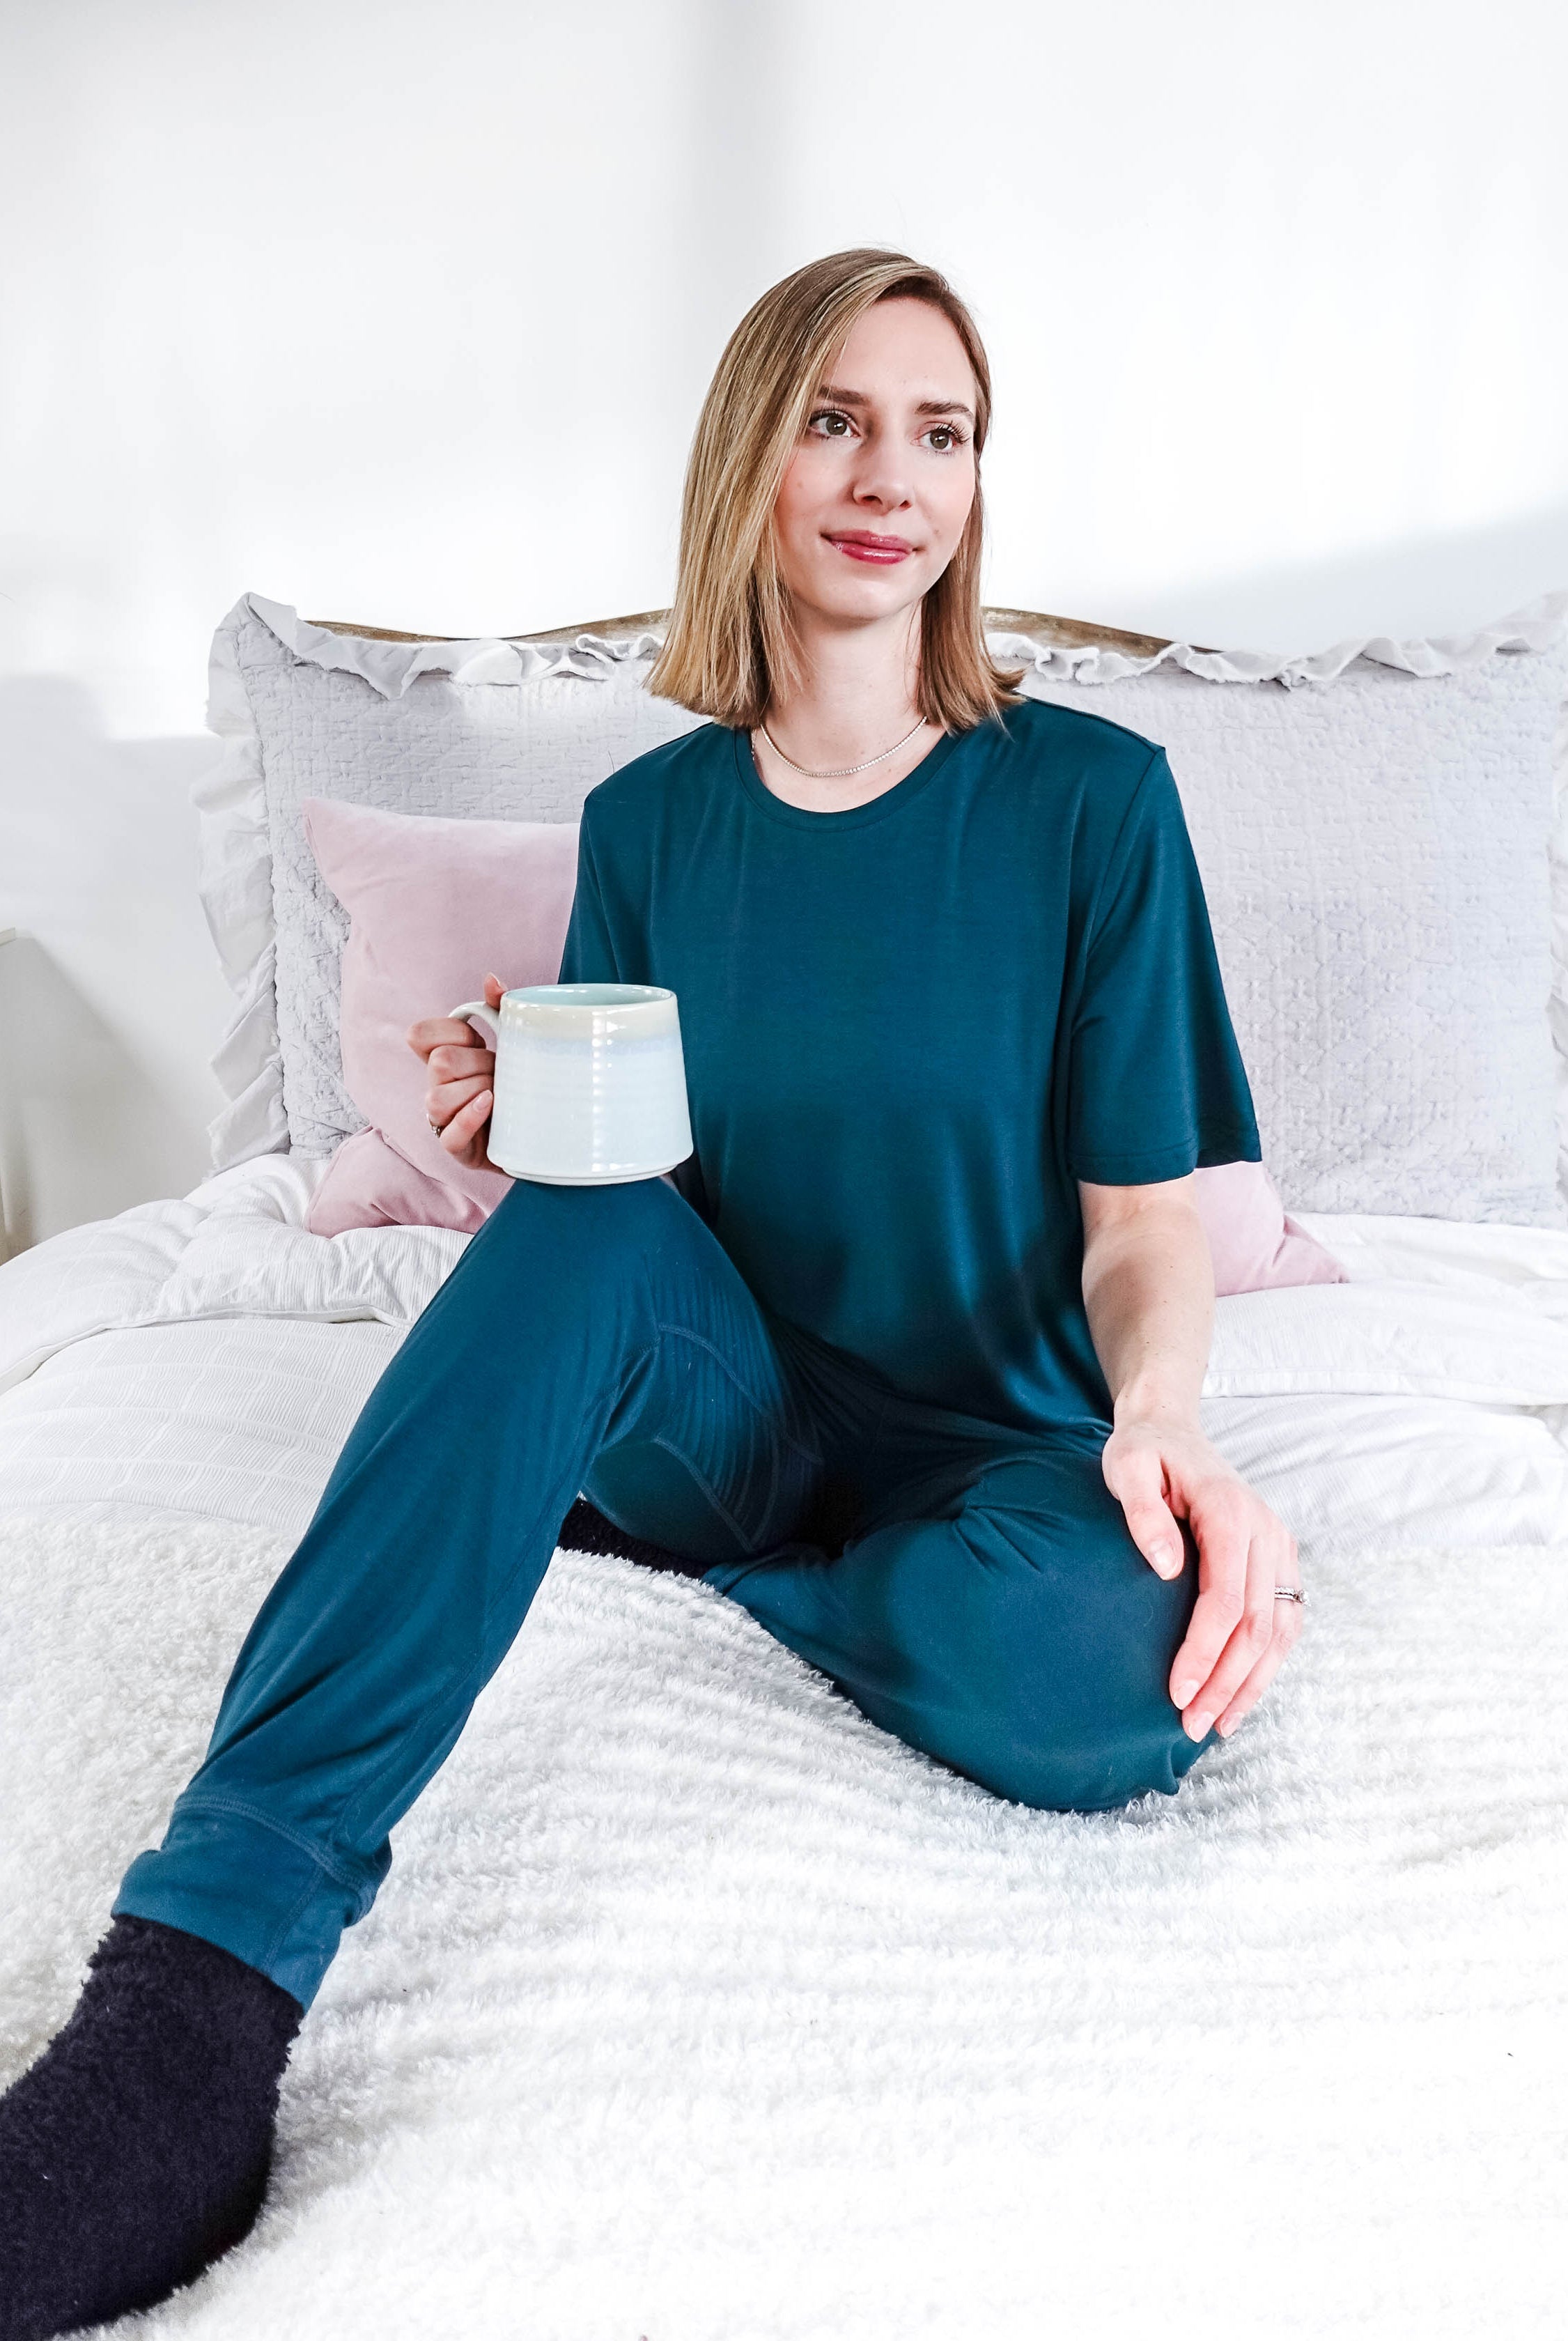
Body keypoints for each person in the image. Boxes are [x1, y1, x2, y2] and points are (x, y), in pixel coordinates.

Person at [0, 249, 1303, 2337]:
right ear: (749, 458)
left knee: (1109, 1699)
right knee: (576, 1229)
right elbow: (642, 1209)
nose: (890, 478)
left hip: (992, 1449)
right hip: (740, 1414)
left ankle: (766, 1589)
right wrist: (520, 1115)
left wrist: (1161, 1420)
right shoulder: (648, 825)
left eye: (942, 432)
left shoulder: (1092, 804)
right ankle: (197, 2000)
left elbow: (1140, 1216)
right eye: (836, 420)